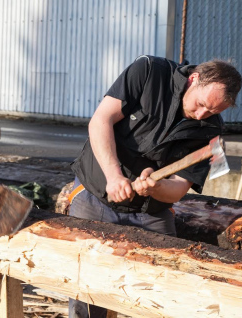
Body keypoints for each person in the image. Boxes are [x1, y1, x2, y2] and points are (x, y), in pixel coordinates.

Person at [69, 55, 242, 317]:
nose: (202, 114)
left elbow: (179, 188)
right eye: (202, 104)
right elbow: (100, 121)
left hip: (150, 211)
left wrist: (154, 188)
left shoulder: (210, 133)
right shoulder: (148, 71)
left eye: (213, 111)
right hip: (97, 193)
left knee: (168, 286)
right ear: (193, 79)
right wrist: (114, 176)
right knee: (87, 289)